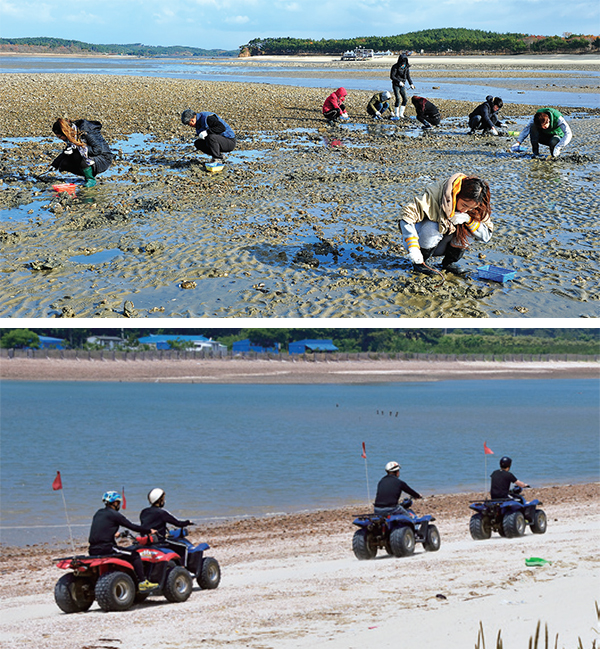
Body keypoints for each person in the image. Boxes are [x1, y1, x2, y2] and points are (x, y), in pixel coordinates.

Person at [398, 173, 493, 276]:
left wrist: (469, 220)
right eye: (464, 205)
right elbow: (406, 216)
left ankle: (449, 263)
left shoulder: (478, 205)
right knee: (432, 225)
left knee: (469, 230)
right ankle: (421, 263)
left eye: (471, 208)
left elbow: (486, 235)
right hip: (420, 242)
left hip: (443, 244)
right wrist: (413, 248)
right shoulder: (436, 193)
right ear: (457, 195)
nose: (465, 210)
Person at [88, 491, 158, 592]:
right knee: (134, 555)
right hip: (107, 548)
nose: (119, 505)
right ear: (115, 503)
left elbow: (101, 529)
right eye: (119, 503)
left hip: (92, 549)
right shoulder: (115, 515)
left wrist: (115, 534)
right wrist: (149, 530)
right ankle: (143, 582)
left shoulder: (98, 513)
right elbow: (132, 526)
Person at [51, 118, 113, 188]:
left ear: (64, 133)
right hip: (90, 157)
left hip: (103, 159)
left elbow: (97, 150)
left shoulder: (85, 131)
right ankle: (88, 172)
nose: (60, 139)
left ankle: (90, 179)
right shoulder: (72, 134)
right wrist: (55, 164)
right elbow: (67, 151)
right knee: (64, 163)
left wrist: (77, 149)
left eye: (59, 137)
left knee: (77, 154)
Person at [389, 53, 415, 120]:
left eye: (404, 63)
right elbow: (392, 76)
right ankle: (396, 114)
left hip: (403, 84)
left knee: (405, 99)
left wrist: (411, 84)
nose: (403, 65)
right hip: (396, 84)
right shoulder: (395, 67)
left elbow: (408, 76)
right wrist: (399, 82)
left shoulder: (406, 67)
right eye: (402, 63)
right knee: (398, 98)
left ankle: (401, 114)